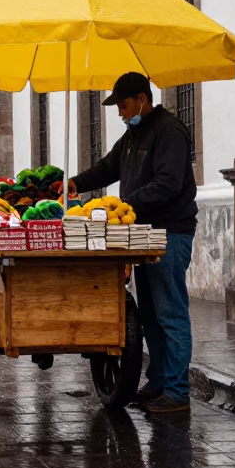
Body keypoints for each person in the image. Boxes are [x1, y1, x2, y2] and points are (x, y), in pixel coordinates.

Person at [69, 72, 197, 414]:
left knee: (170, 311)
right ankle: (157, 383)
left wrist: (127, 206)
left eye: (124, 105)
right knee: (151, 315)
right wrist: (74, 183)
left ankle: (177, 390)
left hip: (169, 233)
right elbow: (108, 168)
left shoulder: (169, 131)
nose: (121, 113)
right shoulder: (131, 135)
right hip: (142, 236)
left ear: (142, 98)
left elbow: (169, 183)